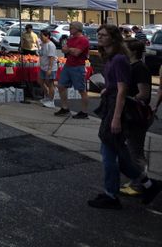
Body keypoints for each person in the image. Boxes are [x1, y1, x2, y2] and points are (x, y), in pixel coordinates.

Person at [88, 24, 161, 209]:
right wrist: (107, 88)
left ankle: (112, 195)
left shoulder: (119, 59)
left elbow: (123, 90)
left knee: (109, 155)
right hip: (110, 104)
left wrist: (116, 117)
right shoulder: (111, 58)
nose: (100, 37)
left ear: (113, 38)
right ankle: (147, 185)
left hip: (116, 109)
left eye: (104, 35)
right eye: (99, 34)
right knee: (117, 153)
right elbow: (116, 85)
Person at [121, 39, 153, 196]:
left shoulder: (140, 68)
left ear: (133, 51)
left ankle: (140, 185)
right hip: (130, 114)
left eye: (125, 48)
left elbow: (144, 94)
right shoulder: (131, 66)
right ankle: (136, 181)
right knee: (132, 149)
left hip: (137, 115)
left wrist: (126, 97)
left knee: (135, 151)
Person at [56, 20, 89, 119]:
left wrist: (69, 49)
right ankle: (65, 108)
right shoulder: (71, 39)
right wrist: (71, 49)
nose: (70, 29)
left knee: (81, 90)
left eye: (71, 28)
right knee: (61, 86)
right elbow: (63, 49)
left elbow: (76, 53)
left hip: (78, 67)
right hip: (68, 65)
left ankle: (84, 111)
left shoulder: (83, 40)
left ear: (77, 29)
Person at [38, 28, 58, 108]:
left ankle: (51, 101)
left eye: (42, 36)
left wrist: (49, 69)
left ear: (47, 36)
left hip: (50, 68)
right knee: (40, 81)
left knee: (50, 84)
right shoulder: (43, 44)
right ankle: (46, 96)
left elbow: (51, 58)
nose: (40, 37)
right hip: (43, 67)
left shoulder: (51, 45)